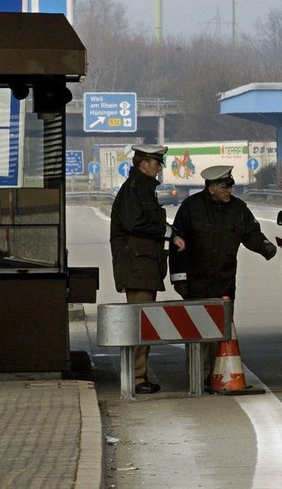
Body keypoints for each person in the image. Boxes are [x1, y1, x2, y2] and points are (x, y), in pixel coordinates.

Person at [169, 165, 278, 387]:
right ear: (211, 188)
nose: (230, 190)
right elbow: (176, 244)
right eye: (225, 186)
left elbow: (252, 234)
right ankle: (198, 379)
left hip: (224, 281)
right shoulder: (191, 208)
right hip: (195, 281)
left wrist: (266, 247)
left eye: (231, 185)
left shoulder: (238, 209)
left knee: (221, 331)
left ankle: (219, 377)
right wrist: (179, 278)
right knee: (198, 335)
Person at [110, 144, 186, 395]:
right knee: (139, 323)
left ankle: (139, 376)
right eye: (156, 163)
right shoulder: (134, 190)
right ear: (143, 164)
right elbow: (136, 223)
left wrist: (171, 233)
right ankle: (136, 378)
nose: (160, 167)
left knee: (143, 321)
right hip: (137, 265)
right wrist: (168, 233)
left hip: (143, 264)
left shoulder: (142, 188)